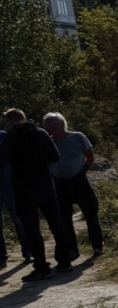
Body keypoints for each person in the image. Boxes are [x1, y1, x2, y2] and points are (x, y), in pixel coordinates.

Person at [0, 109, 73, 280]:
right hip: (46, 185)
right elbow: (55, 156)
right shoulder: (41, 132)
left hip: (24, 189)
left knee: (32, 228)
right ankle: (64, 262)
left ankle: (42, 267)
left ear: (10, 121)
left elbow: (2, 161)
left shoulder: (12, 136)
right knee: (56, 224)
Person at [44, 112, 103, 261]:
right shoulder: (47, 142)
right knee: (64, 219)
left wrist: (83, 171)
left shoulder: (77, 137)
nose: (50, 126)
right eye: (47, 124)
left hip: (79, 182)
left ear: (62, 124)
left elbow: (90, 156)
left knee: (91, 214)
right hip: (59, 184)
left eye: (53, 123)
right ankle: (73, 250)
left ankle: (97, 246)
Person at [0, 130, 33, 266]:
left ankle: (28, 251)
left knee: (19, 220)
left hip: (10, 184)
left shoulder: (4, 136)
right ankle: (2, 257)